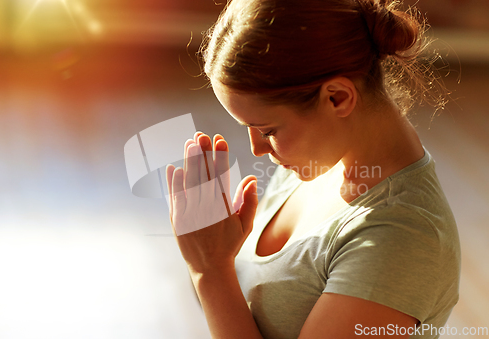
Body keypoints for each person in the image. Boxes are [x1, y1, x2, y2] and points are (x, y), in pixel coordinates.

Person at [165, 0, 461, 338]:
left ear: (337, 98)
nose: (257, 149)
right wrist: (213, 254)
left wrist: (211, 270)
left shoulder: (401, 240)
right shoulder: (319, 160)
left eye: (268, 130)